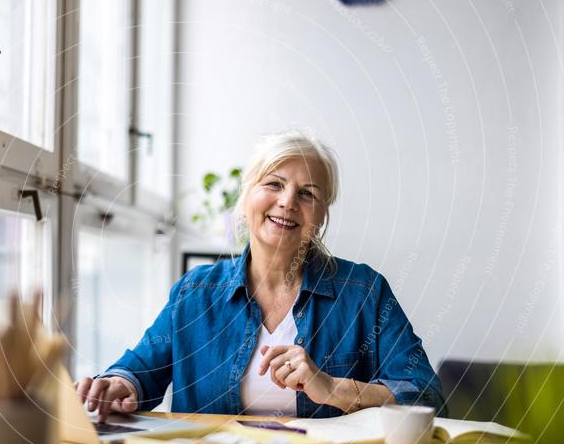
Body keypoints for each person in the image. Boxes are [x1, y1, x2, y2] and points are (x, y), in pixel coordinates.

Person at [76, 131, 445, 422]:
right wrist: (117, 385)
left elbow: (426, 394)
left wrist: (333, 388)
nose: (287, 202)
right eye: (273, 184)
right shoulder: (195, 292)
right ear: (247, 193)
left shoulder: (365, 292)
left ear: (322, 214)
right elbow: (140, 371)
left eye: (307, 193)